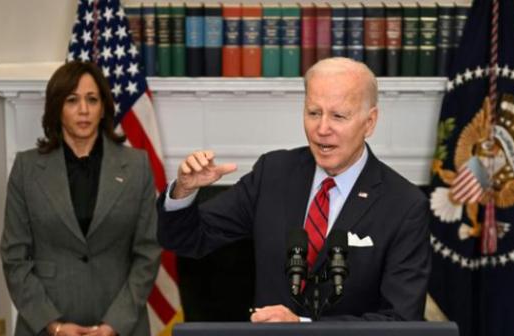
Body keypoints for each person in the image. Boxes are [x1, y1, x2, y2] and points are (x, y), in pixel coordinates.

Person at [157, 57, 431, 322]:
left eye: (338, 116)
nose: (322, 129)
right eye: (313, 113)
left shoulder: (405, 205)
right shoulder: (273, 173)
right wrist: (183, 191)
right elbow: (187, 240)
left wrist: (304, 328)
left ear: (369, 122)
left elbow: (401, 319)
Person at [0, 61, 161, 336]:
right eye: (72, 100)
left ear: (103, 108)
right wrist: (54, 325)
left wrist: (114, 325)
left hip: (121, 324)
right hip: (46, 324)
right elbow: (14, 257)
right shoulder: (26, 169)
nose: (83, 110)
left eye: (92, 99)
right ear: (57, 108)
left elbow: (148, 252)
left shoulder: (137, 166)